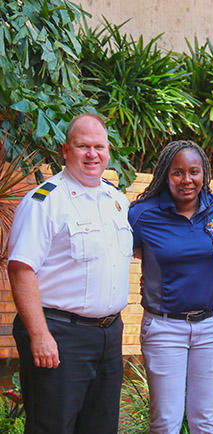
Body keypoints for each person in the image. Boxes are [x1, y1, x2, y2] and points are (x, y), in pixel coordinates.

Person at [7, 113, 132, 433]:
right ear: (65, 149)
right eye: (83, 146)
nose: (92, 154)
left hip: (107, 335)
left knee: (101, 425)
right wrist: (39, 335)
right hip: (60, 335)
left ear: (108, 151)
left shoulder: (116, 200)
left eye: (99, 147)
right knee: (53, 425)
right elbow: (21, 270)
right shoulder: (45, 201)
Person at [128, 140, 213, 433]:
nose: (187, 180)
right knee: (165, 421)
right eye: (177, 172)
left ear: (204, 174)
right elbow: (134, 254)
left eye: (194, 172)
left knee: (206, 421)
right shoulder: (142, 215)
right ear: (165, 174)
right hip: (164, 329)